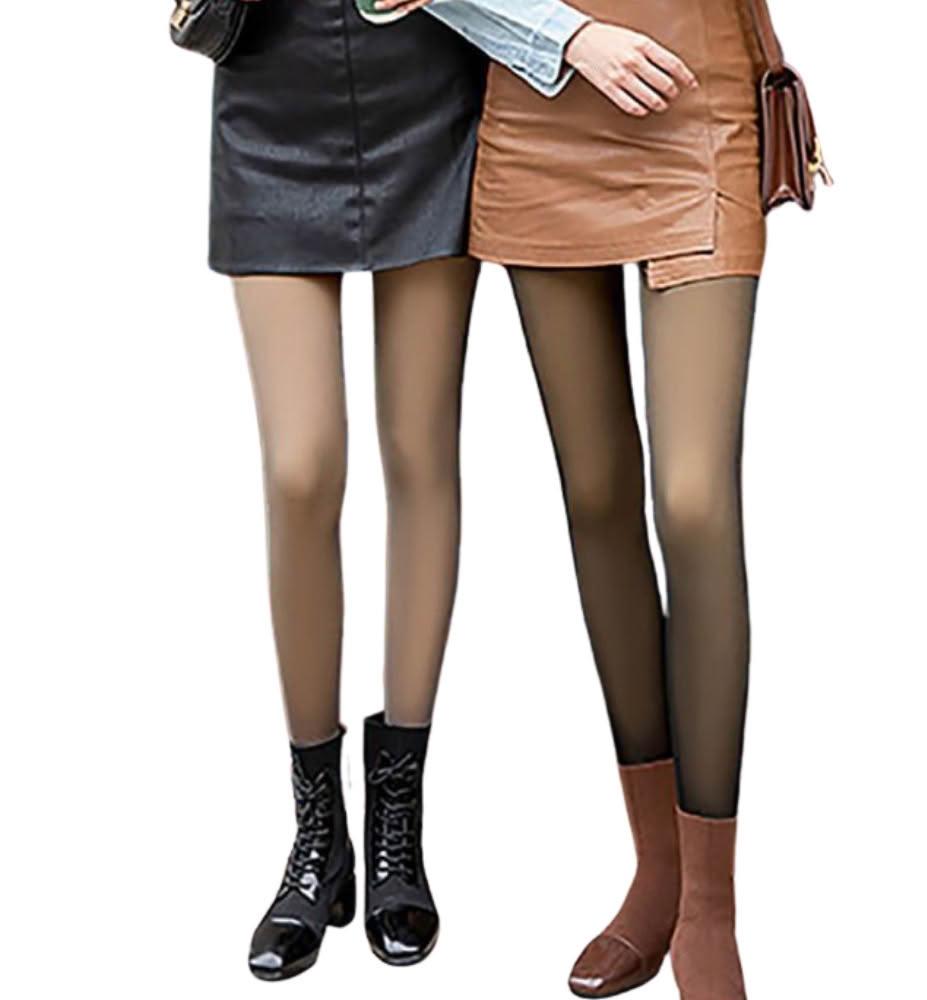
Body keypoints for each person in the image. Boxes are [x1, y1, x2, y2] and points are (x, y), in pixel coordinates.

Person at [205, 0, 683, 979]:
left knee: (420, 449)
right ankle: (316, 835)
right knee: (300, 469)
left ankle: (397, 827)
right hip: (269, 87)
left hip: (430, 84)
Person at [403, 0, 765, 996]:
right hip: (537, 104)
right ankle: (657, 873)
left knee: (692, 500)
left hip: (693, 94)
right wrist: (566, 37)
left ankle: (709, 908)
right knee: (597, 493)